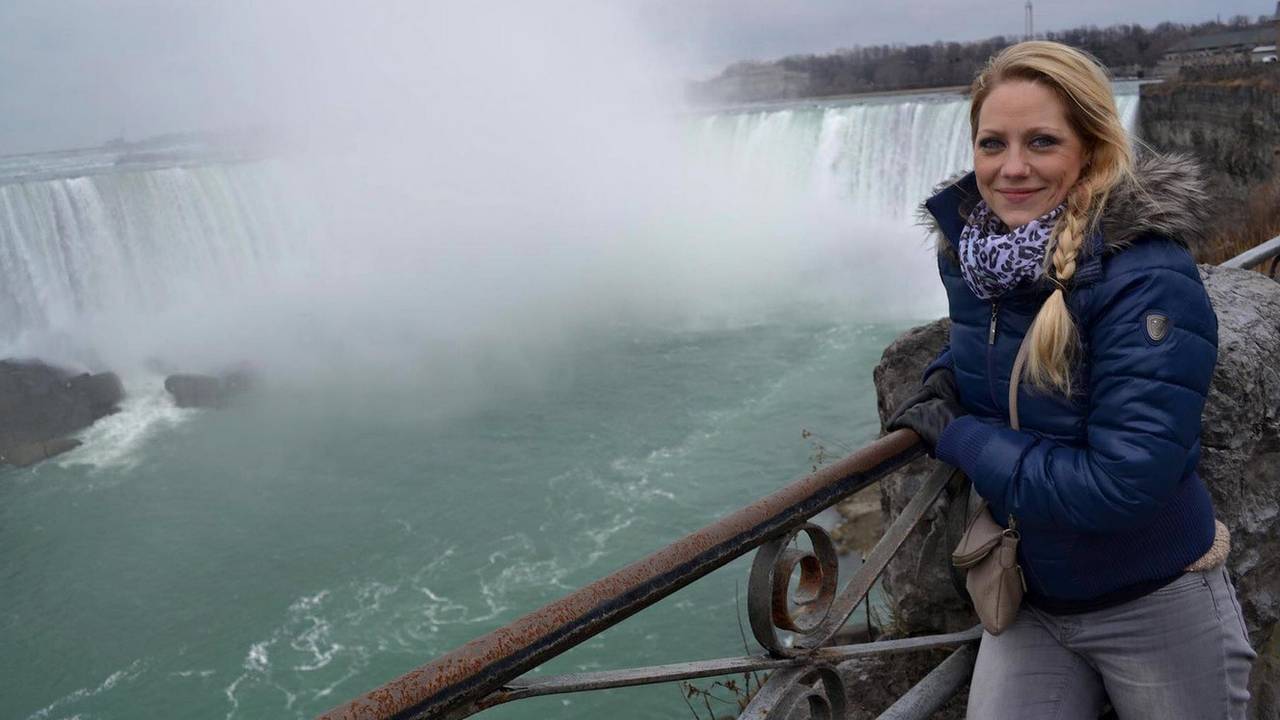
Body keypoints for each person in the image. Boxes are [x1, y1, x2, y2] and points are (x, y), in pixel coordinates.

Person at [886, 41, 1256, 719]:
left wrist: (961, 437)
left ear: (1091, 148)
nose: (1012, 167)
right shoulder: (977, 258)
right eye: (992, 143)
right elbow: (1002, 357)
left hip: (1154, 600)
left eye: (1042, 142)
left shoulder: (1145, 277)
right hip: (1031, 596)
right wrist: (945, 377)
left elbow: (1122, 484)